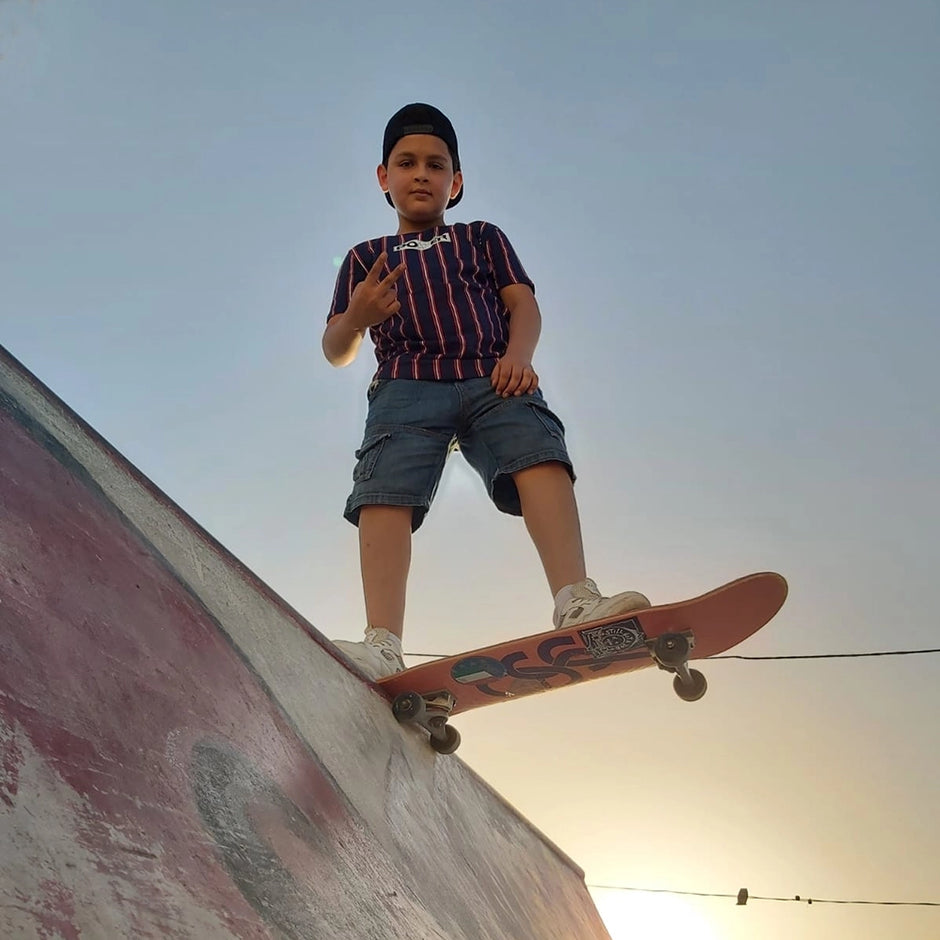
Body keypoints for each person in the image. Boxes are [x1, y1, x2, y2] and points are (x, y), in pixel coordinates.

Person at [323, 103, 649, 679]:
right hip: (406, 384)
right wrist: (356, 316)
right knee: (385, 486)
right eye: (405, 163)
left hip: (491, 373)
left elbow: (522, 302)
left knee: (537, 448)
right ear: (384, 177)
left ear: (456, 182)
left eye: (435, 164)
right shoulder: (365, 259)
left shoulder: (481, 237)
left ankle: (575, 599)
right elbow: (335, 347)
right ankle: (381, 642)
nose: (420, 173)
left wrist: (519, 357)